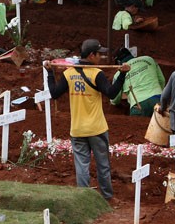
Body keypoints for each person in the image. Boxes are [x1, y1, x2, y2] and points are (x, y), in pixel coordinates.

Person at [45, 39, 130, 201]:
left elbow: (54, 93)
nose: (101, 58)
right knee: (103, 165)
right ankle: (107, 197)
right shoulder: (96, 73)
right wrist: (123, 75)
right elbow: (111, 93)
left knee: (81, 166)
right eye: (99, 54)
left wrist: (50, 73)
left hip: (77, 129)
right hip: (97, 128)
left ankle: (83, 199)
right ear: (92, 55)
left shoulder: (69, 73)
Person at [110, 47, 165, 116]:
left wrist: (115, 103)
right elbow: (162, 80)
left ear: (118, 62)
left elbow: (115, 98)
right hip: (158, 99)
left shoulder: (118, 74)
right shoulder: (149, 59)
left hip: (138, 104)